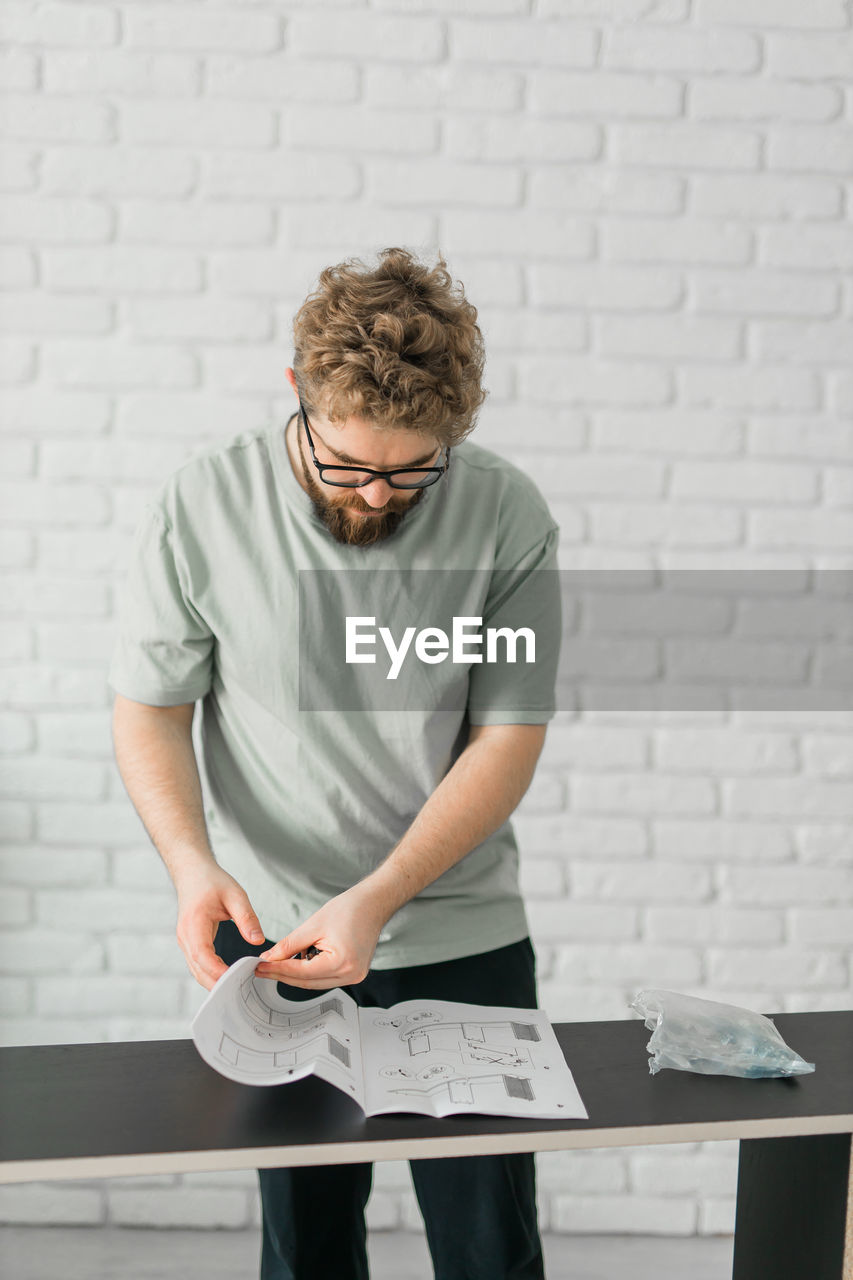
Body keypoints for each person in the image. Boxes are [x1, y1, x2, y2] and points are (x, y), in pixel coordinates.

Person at [109, 246, 562, 1280]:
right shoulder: (200, 507)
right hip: (273, 940)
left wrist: (384, 892)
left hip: (462, 930)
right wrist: (191, 866)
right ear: (298, 396)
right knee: (306, 1247)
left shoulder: (508, 514)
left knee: (493, 1249)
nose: (374, 497)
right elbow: (150, 708)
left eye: (410, 471)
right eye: (347, 464)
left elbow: (508, 735)